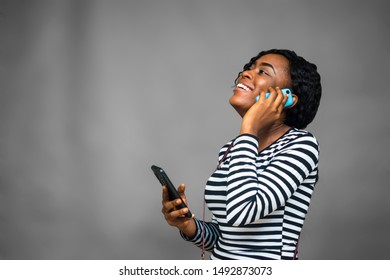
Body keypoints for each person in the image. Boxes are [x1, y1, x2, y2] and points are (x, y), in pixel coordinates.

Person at [161, 49, 322, 260]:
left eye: (263, 72)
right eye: (249, 67)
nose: (246, 73)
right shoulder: (233, 149)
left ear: (287, 99)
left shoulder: (301, 146)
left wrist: (249, 127)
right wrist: (188, 225)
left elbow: (242, 212)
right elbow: (225, 238)